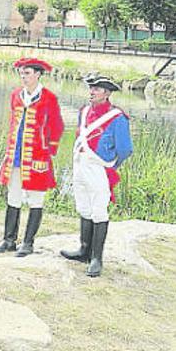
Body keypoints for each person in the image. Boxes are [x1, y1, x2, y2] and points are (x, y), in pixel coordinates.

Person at [61, 76, 132, 277]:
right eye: (91, 88)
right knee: (83, 206)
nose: (92, 92)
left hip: (98, 167)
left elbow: (125, 149)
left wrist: (110, 165)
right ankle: (84, 250)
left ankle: (96, 258)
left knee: (99, 210)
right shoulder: (84, 111)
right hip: (80, 164)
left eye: (97, 89)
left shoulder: (118, 117)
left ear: (107, 93)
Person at [0, 58, 64, 257]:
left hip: (37, 158)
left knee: (35, 199)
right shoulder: (16, 95)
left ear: (38, 74)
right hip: (15, 154)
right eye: (22, 74)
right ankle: (8, 240)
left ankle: (28, 242)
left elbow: (56, 126)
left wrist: (49, 151)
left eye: (28, 73)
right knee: (13, 196)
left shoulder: (49, 97)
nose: (24, 77)